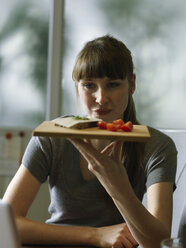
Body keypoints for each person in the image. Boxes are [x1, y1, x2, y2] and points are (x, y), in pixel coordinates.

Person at [3, 35, 177, 248]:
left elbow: (159, 243)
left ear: (132, 84)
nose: (101, 98)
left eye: (113, 84)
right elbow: (6, 224)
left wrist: (117, 185)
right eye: (89, 85)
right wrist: (95, 236)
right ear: (77, 87)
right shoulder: (52, 138)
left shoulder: (157, 147)